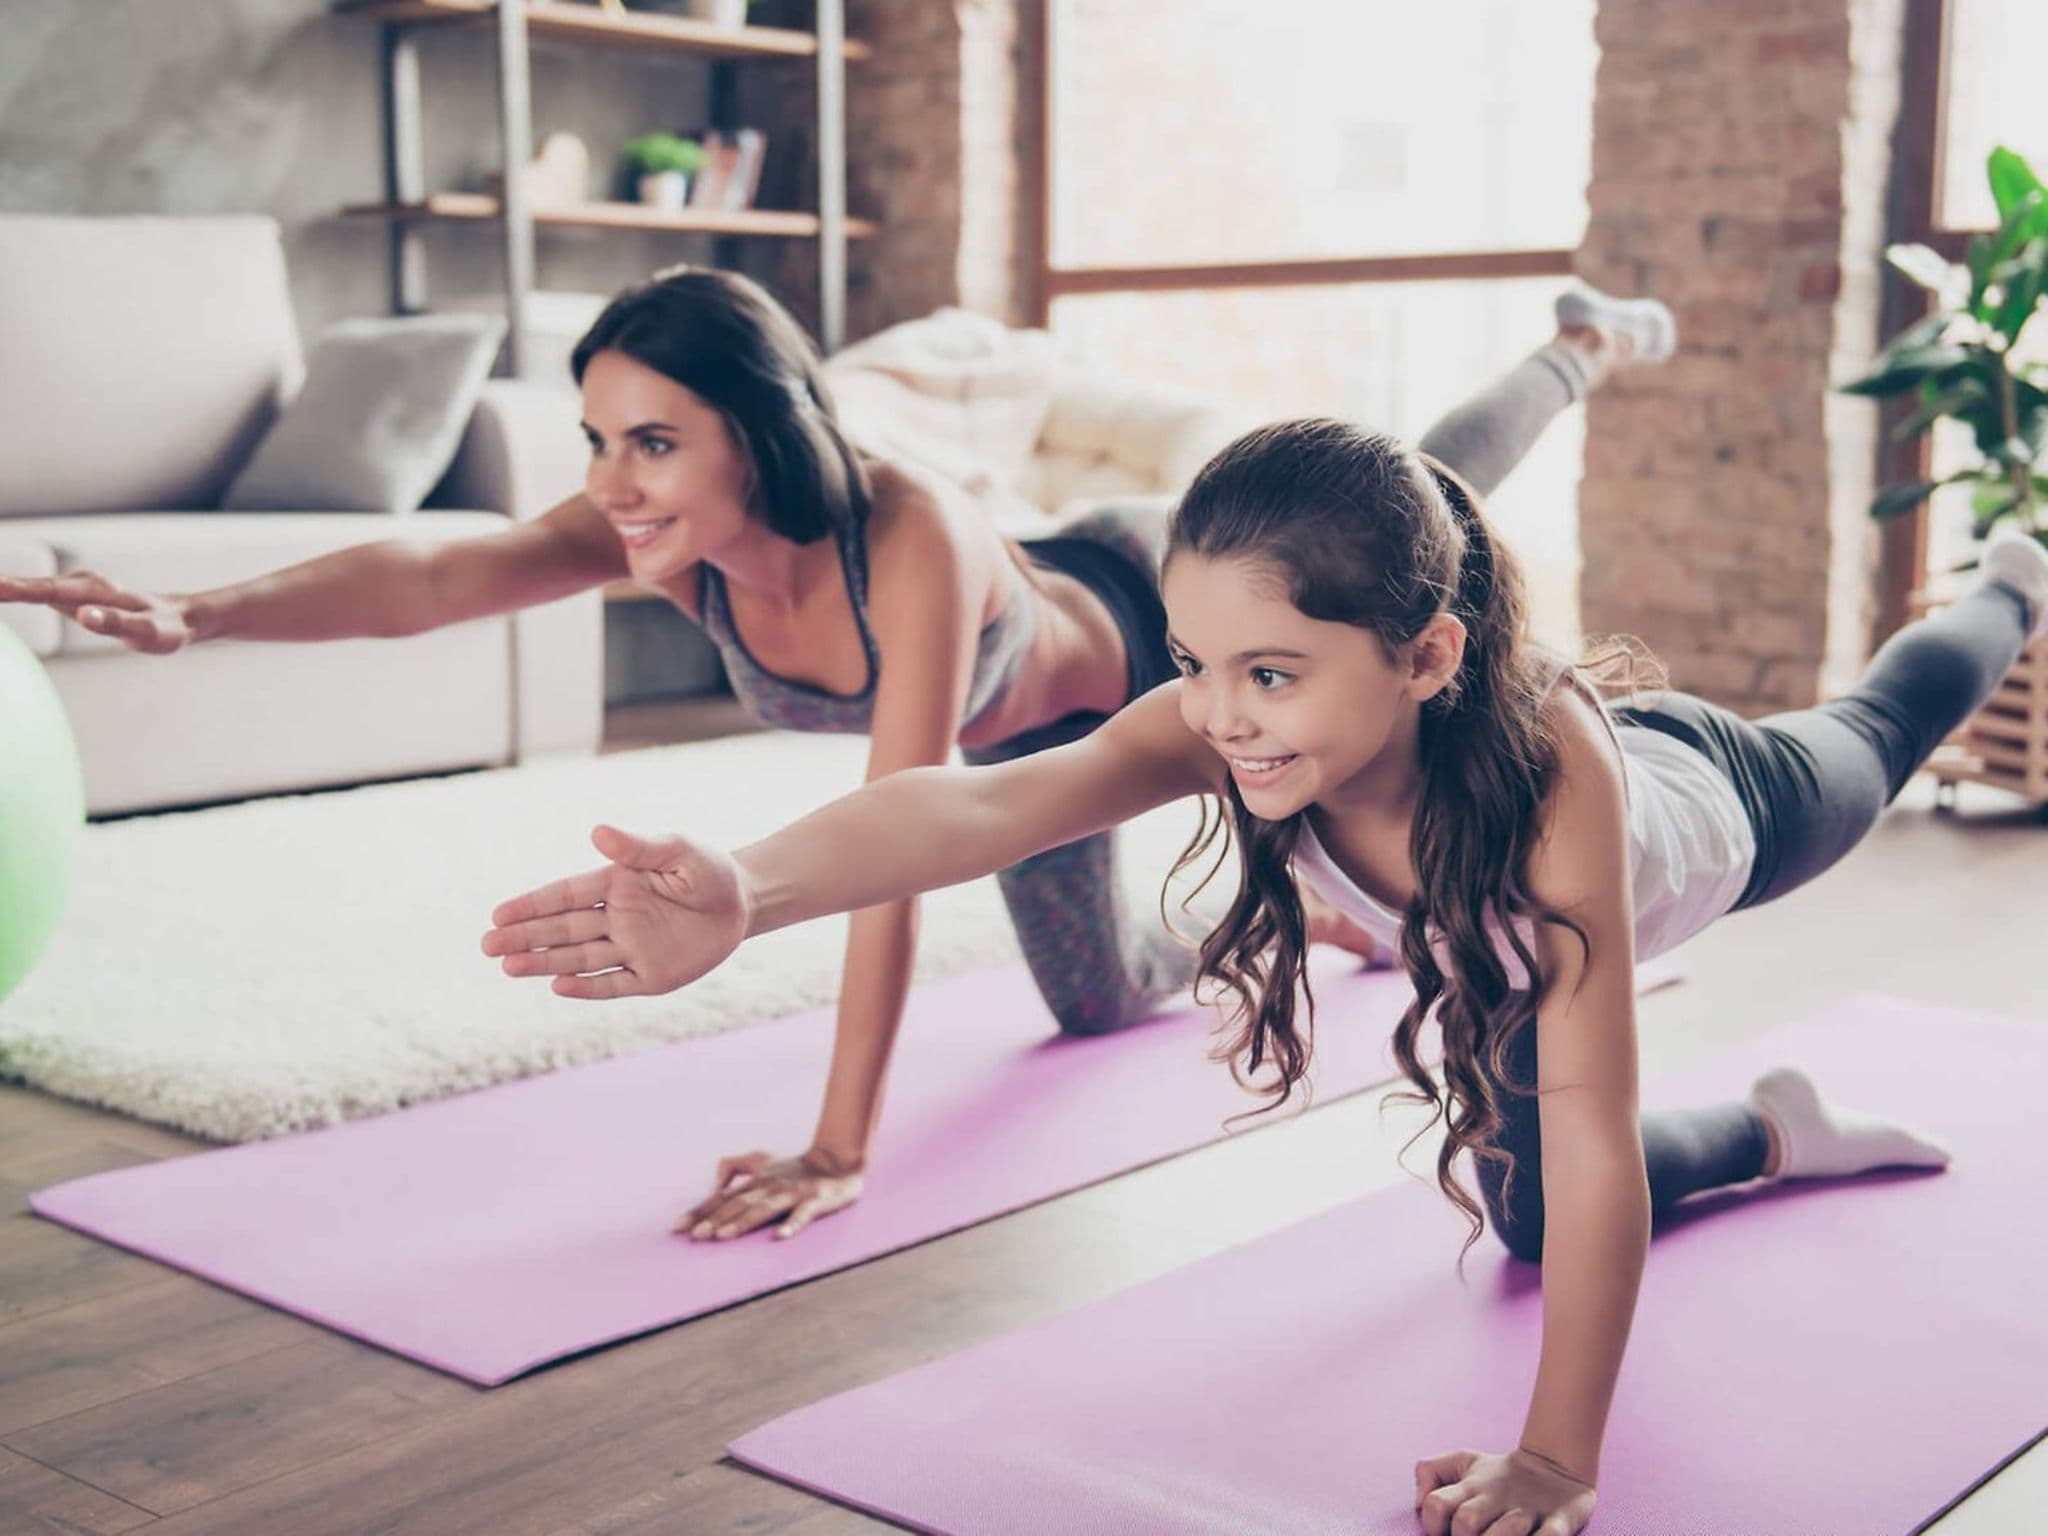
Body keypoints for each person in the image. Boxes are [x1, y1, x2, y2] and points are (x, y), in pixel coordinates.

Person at [483, 413, 2046, 1533]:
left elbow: (1585, 1111)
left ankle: (2008, 583)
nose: (1219, 716)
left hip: (1710, 813)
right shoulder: (1223, 725)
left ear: (1427, 657)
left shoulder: (1555, 777)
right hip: (1495, 945)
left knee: (1880, 735)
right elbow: (984, 802)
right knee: (1524, 1231)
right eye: (1193, 663)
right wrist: (749, 889)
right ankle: (1782, 1135)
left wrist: (1558, 1463)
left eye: (1271, 674)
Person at [0, 265, 1670, 1257]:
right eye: (598, 440)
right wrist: (190, 613)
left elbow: (914, 825)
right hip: (1017, 769)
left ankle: (1577, 350)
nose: (617, 481)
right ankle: (1314, 897)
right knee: (1097, 1005)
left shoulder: (910, 541)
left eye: (655, 441)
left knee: (1431, 492)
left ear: (762, 432)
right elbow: (434, 575)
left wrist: (840, 1141)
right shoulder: (665, 521)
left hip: (1100, 658)